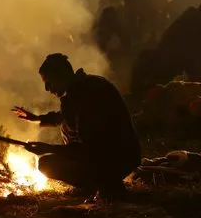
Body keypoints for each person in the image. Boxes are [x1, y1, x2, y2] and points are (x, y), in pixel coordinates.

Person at [12, 54, 140, 201]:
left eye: (48, 82)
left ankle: (105, 185)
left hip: (117, 157)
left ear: (61, 75)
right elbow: (63, 116)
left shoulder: (87, 94)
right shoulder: (80, 88)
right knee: (58, 146)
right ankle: (101, 182)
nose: (47, 88)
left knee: (46, 165)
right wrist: (37, 119)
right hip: (116, 154)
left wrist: (48, 148)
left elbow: (89, 148)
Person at [156, 1, 201, 79]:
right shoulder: (198, 22)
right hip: (173, 54)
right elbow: (192, 43)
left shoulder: (191, 17)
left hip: (168, 49)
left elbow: (194, 39)